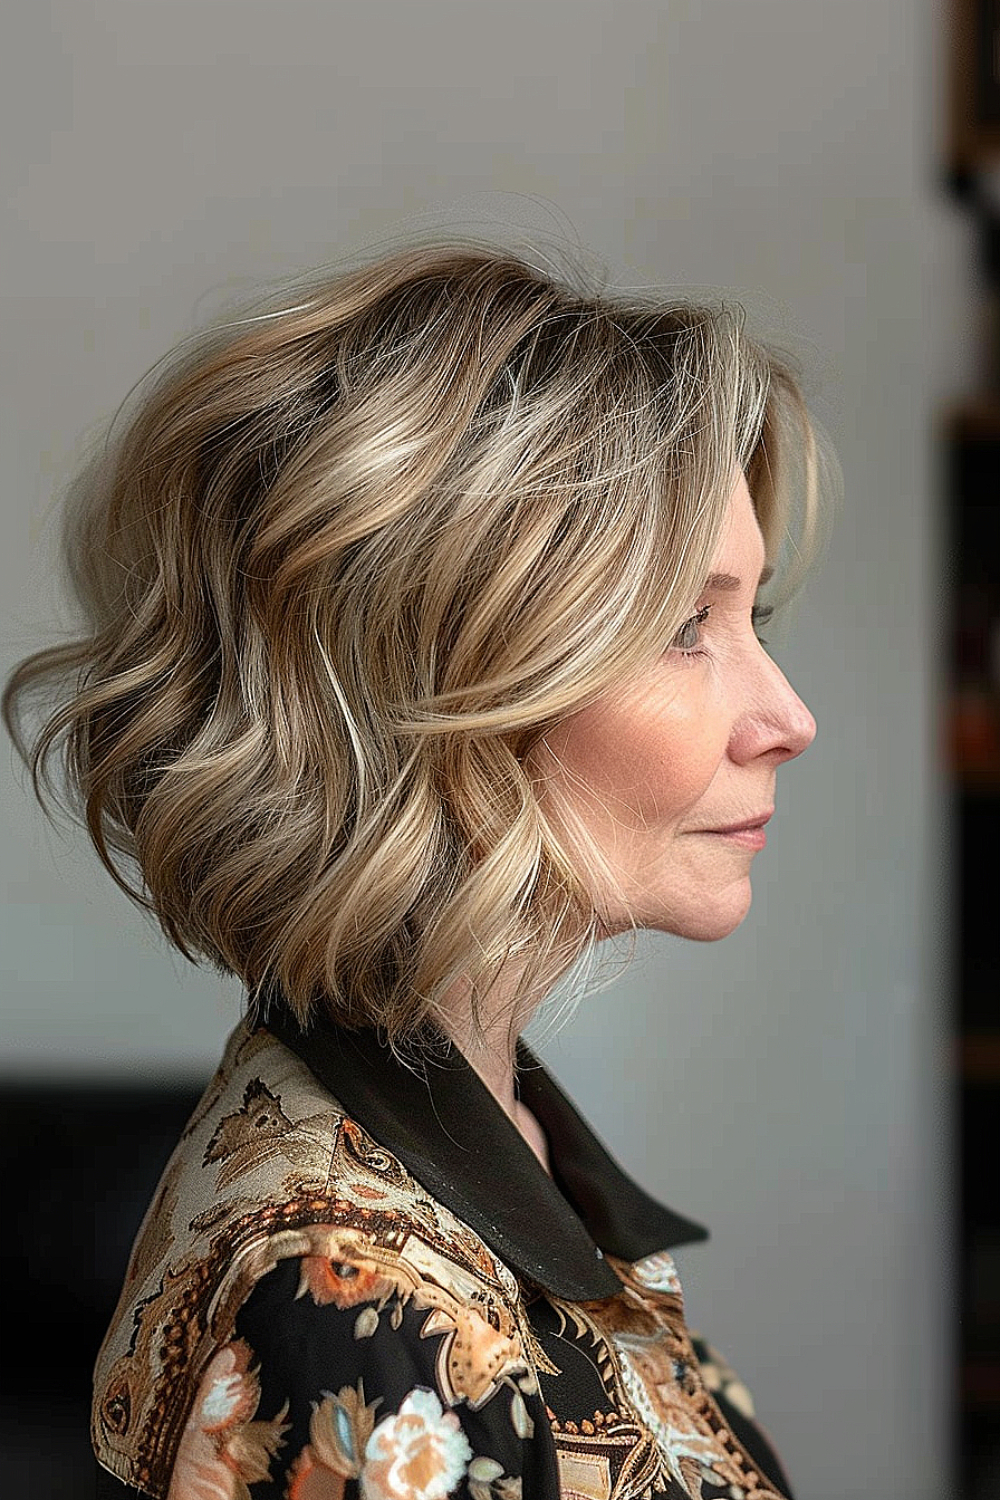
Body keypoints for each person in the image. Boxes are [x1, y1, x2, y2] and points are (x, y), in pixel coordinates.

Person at [3, 239, 839, 1500]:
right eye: (682, 625)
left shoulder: (486, 1139)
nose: (787, 715)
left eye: (750, 619)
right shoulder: (353, 1308)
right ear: (440, 685)